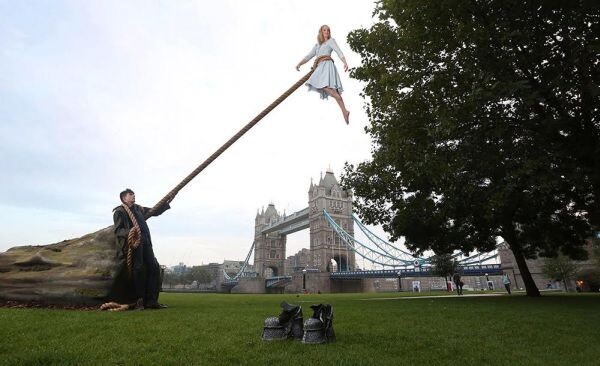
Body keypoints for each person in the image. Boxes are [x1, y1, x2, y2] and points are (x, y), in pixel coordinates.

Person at [113, 188, 172, 310]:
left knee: (154, 267)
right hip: (135, 243)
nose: (133, 196)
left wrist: (166, 203)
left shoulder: (139, 209)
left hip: (146, 242)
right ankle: (139, 300)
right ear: (124, 198)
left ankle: (151, 300)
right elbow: (118, 230)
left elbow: (155, 211)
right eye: (130, 195)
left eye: (134, 194)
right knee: (138, 268)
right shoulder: (119, 212)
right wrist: (131, 231)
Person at [296, 24, 350, 124]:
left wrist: (345, 62)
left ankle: (344, 111)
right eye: (324, 30)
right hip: (319, 67)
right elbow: (309, 56)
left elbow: (339, 51)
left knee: (318, 82)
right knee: (325, 87)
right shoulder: (317, 45)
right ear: (321, 32)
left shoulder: (331, 41)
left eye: (328, 30)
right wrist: (300, 63)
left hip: (327, 65)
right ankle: (344, 108)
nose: (326, 32)